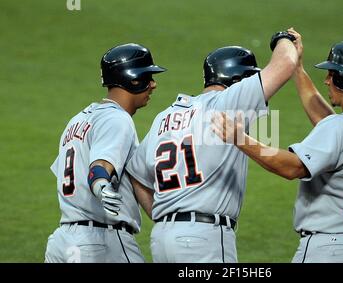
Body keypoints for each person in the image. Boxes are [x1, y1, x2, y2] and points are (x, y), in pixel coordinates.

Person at [212, 30, 343, 263]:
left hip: (331, 250)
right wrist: (297, 70)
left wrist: (240, 138)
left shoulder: (340, 129)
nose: (327, 80)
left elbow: (292, 168)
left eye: (332, 74)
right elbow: (331, 126)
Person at [125, 30, 300, 262]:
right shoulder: (229, 101)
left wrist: (166, 218)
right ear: (239, 81)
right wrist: (284, 38)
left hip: (163, 239)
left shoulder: (164, 118)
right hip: (203, 239)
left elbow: (137, 176)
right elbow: (286, 62)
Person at [45, 43, 166, 263]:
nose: (153, 84)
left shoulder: (78, 120)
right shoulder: (117, 119)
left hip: (62, 241)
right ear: (133, 80)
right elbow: (100, 167)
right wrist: (101, 185)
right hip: (100, 242)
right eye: (148, 77)